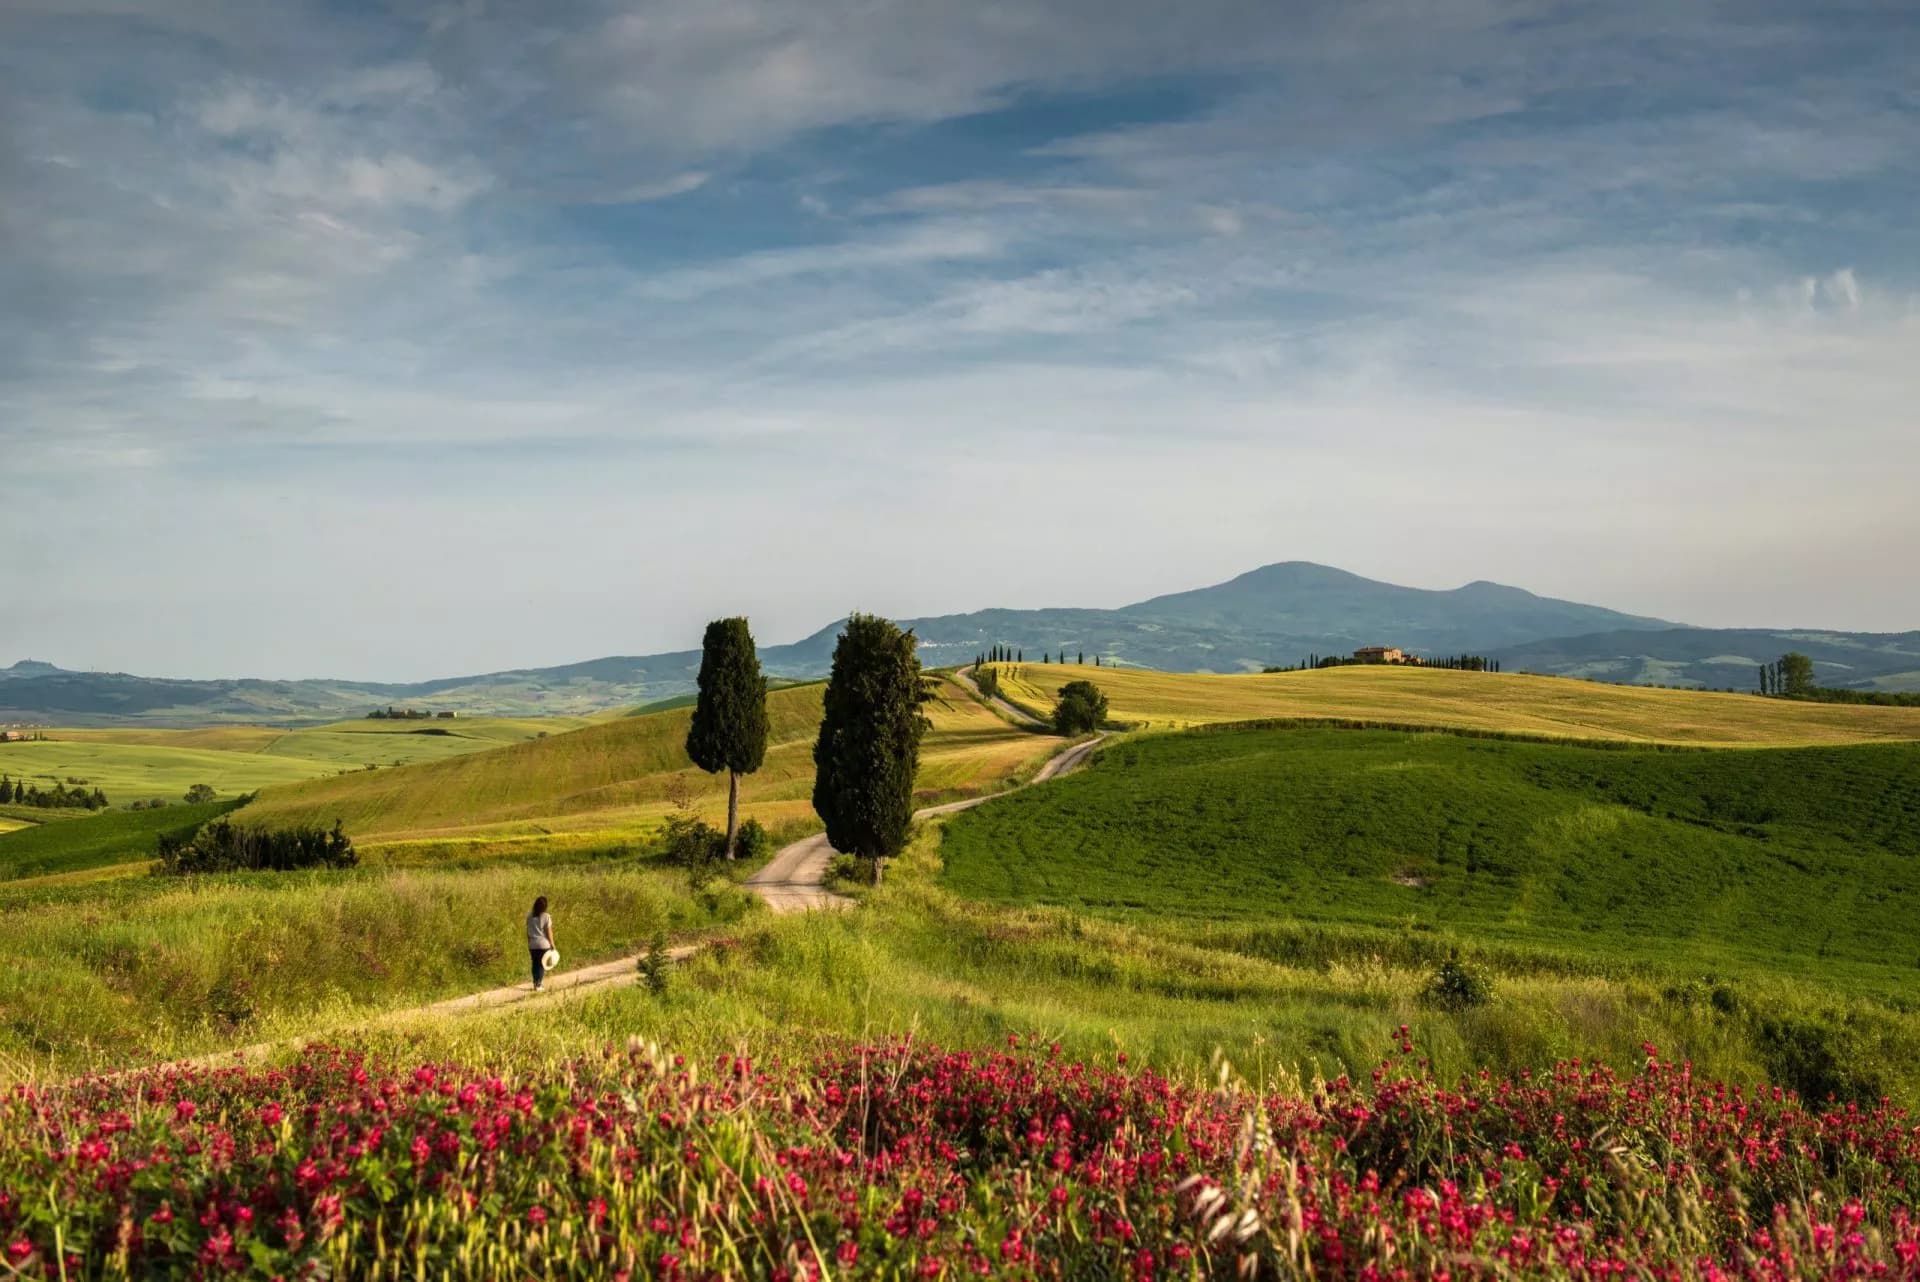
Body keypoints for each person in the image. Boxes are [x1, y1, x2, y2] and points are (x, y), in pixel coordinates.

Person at [526, 895, 555, 992]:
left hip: (533, 944)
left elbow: (528, 932)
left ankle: (535, 982)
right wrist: (552, 944)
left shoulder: (529, 916)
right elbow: (549, 932)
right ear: (545, 906)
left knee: (534, 964)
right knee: (542, 964)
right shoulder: (546, 916)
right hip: (543, 944)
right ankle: (539, 984)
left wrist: (529, 943)